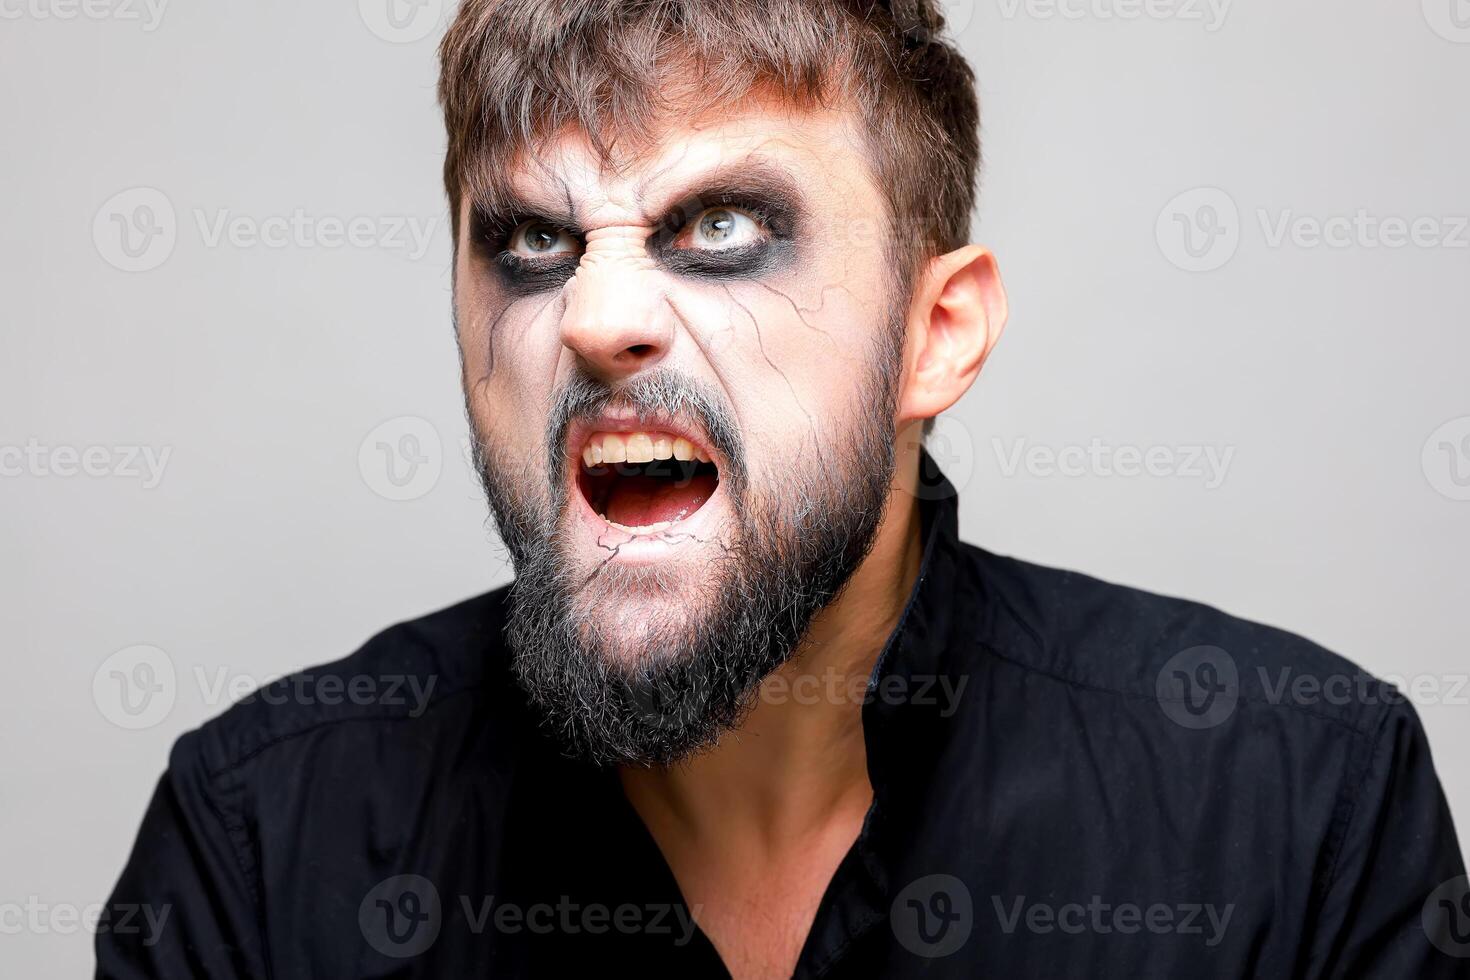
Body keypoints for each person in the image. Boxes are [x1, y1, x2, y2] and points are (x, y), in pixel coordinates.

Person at [98, 1, 1467, 977]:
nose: (596, 316)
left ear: (935, 337)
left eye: (722, 230)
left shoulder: (1294, 810)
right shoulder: (259, 856)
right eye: (531, 240)